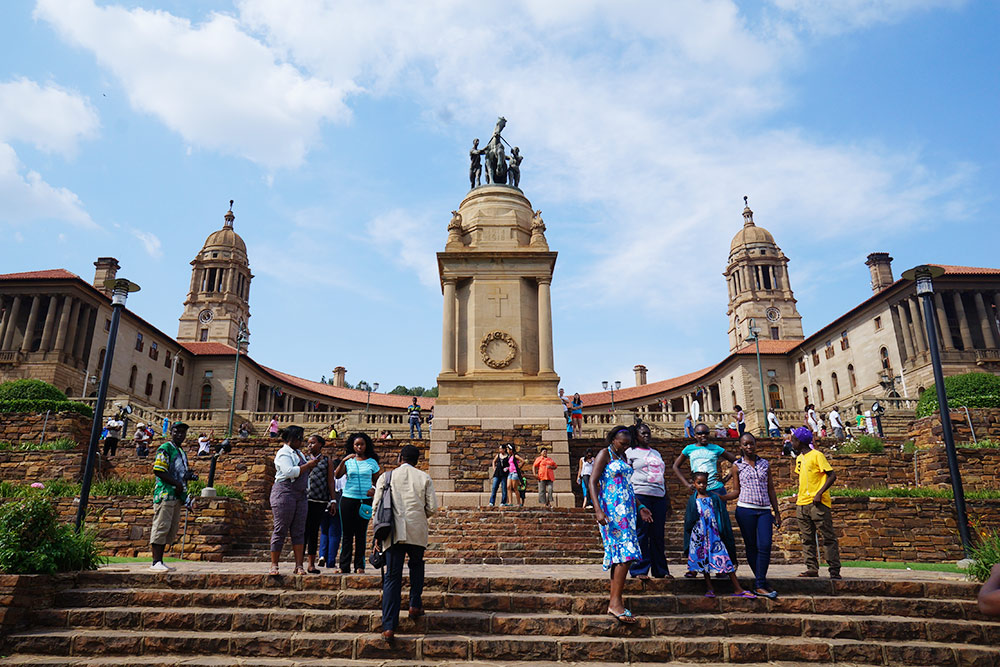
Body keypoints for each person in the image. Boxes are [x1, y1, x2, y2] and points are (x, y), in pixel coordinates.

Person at [588, 425, 651, 625]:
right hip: (612, 511)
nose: (625, 447)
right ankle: (615, 603)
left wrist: (641, 506)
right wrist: (597, 510)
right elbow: (592, 482)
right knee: (627, 553)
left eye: (627, 444)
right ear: (613, 439)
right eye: (622, 443)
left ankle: (615, 601)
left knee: (621, 555)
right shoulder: (604, 454)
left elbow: (628, 487)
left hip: (628, 511)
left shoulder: (622, 458)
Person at [374, 444, 438, 641]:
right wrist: (418, 515)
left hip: (393, 531)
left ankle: (389, 626)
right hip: (416, 530)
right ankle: (414, 604)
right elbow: (432, 508)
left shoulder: (386, 477)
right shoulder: (424, 477)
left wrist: (376, 535)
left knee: (392, 577)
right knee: (416, 566)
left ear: (400, 457)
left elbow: (377, 506)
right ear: (417, 460)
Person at [673, 422, 737, 577]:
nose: (703, 436)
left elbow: (735, 460)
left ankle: (721, 566)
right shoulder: (689, 449)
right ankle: (694, 566)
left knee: (718, 527)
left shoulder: (715, 448)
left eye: (706, 433)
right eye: (700, 433)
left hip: (715, 490)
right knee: (696, 527)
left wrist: (727, 477)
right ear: (695, 435)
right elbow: (676, 466)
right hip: (699, 492)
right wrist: (687, 483)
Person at [729, 433, 781, 598]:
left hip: (764, 509)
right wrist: (721, 496)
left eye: (751, 444)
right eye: (745, 444)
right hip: (745, 509)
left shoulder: (764, 464)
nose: (749, 447)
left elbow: (771, 489)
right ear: (741, 446)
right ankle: (760, 582)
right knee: (751, 546)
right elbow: (736, 490)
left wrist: (776, 512)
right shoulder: (737, 466)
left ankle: (759, 583)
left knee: (765, 545)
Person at [684, 472, 752, 598]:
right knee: (703, 562)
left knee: (724, 558)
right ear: (694, 483)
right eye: (699, 483)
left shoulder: (714, 498)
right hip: (699, 536)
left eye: (704, 483)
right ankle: (709, 587)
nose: (702, 485)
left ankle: (737, 588)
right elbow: (689, 520)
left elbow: (721, 516)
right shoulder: (693, 501)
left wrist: (722, 531)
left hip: (714, 535)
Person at [792, 427, 841, 579]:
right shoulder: (799, 458)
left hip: (817, 503)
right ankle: (812, 568)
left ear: (799, 442)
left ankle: (834, 569)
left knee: (827, 537)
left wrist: (819, 493)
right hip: (802, 503)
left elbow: (832, 475)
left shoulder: (817, 455)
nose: (791, 442)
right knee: (807, 538)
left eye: (793, 440)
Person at [269, 426, 319, 576]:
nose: (302, 442)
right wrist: (308, 465)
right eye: (300, 438)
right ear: (292, 439)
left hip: (300, 494)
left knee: (299, 531)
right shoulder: (283, 453)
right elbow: (289, 471)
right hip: (285, 492)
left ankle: (299, 565)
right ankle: (274, 565)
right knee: (281, 528)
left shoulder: (299, 454)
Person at [627, 422, 671, 579]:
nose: (646, 435)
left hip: (658, 496)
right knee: (642, 532)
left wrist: (668, 500)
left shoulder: (656, 453)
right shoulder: (630, 452)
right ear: (636, 436)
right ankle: (639, 569)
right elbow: (626, 476)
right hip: (640, 495)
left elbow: (662, 477)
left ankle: (660, 570)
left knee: (658, 534)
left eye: (648, 433)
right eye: (643, 433)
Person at [149, 421, 193, 572]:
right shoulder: (166, 448)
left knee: (170, 528)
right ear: (171, 432)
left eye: (183, 432)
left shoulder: (180, 451)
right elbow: (159, 470)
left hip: (176, 495)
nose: (180, 435)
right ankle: (155, 562)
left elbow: (179, 472)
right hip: (165, 493)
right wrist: (176, 482)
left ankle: (160, 560)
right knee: (161, 526)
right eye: (177, 432)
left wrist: (188, 476)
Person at [335, 433, 381, 574]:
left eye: (362, 444)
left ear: (366, 445)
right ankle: (344, 565)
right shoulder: (348, 461)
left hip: (365, 500)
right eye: (356, 444)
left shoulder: (372, 462)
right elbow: (337, 475)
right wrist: (343, 461)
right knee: (347, 534)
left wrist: (373, 490)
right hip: (348, 499)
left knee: (361, 534)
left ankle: (360, 565)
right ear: (352, 446)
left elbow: (378, 481)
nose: (359, 447)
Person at [304, 434, 335, 574]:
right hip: (304, 499)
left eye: (313, 443)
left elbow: (330, 481)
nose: (310, 445)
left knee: (313, 531)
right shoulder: (303, 459)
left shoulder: (326, 460)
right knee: (303, 531)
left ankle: (311, 563)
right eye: (308, 443)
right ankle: (299, 563)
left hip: (320, 500)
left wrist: (332, 500)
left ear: (320, 445)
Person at [318, 456, 344, 569]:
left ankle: (322, 555)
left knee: (324, 532)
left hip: (324, 505)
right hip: (337, 506)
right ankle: (331, 560)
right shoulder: (343, 476)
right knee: (335, 533)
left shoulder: (325, 475)